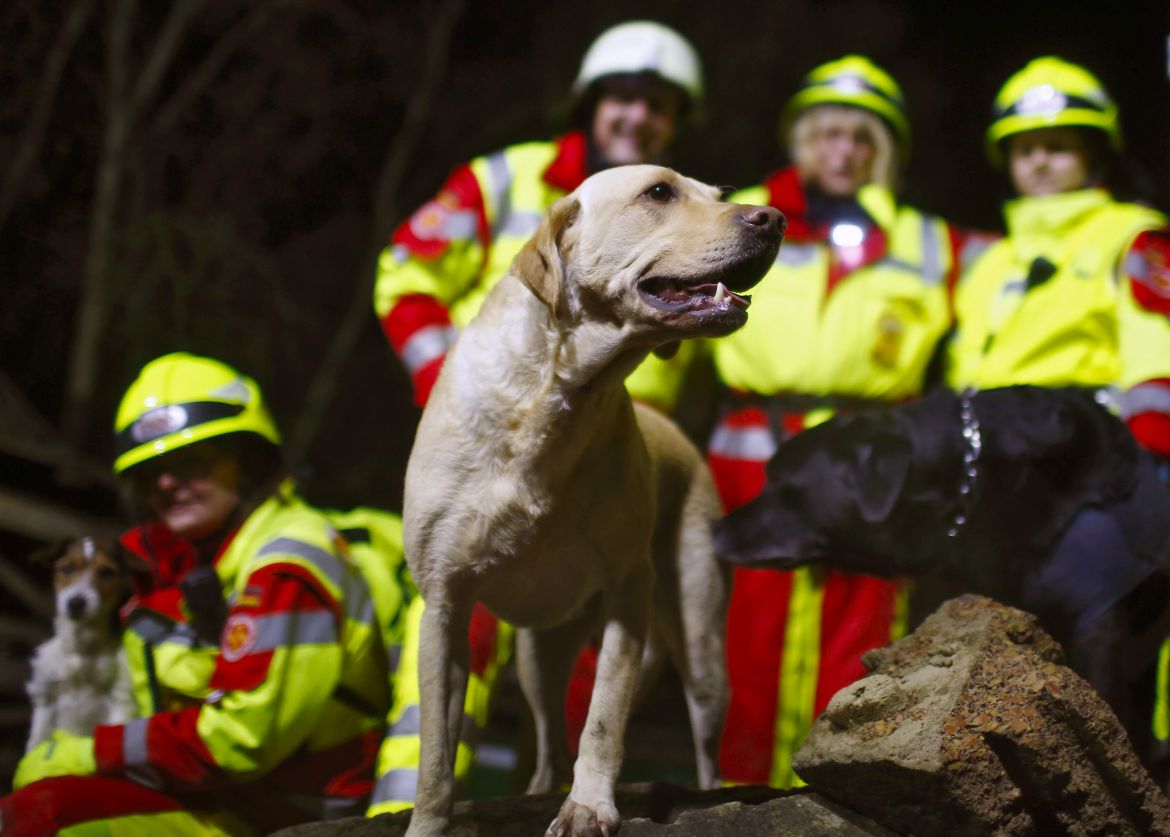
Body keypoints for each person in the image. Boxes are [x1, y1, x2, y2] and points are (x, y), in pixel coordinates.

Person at [365, 20, 705, 814]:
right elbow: (405, 268)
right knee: (459, 635)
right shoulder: (506, 178)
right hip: (490, 436)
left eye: (657, 105)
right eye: (623, 96)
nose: (637, 117)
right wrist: (445, 383)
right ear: (592, 102)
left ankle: (560, 794)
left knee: (584, 659)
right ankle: (406, 809)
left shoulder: (683, 211)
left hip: (612, 448)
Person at [708, 55, 977, 789]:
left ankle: (840, 801)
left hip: (877, 465)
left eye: (861, 138)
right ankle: (736, 801)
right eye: (827, 133)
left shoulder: (931, 240)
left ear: (883, 150)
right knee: (748, 641)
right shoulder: (738, 216)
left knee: (864, 637)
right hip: (754, 456)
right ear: (802, 139)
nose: (842, 151)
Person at [1, 353, 401, 835]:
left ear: (247, 461)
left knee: (45, 814)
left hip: (292, 818)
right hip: (220, 800)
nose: (168, 484)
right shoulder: (182, 561)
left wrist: (83, 753)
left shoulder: (287, 561)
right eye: (152, 472)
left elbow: (243, 737)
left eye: (192, 462)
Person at [945, 56, 1170, 769]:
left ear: (1095, 150)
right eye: (1024, 147)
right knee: (1002, 655)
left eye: (1058, 144)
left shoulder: (1132, 233)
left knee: (1102, 654)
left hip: (1094, 479)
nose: (1039, 161)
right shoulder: (990, 261)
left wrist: (1149, 469)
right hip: (997, 487)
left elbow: (1155, 345)